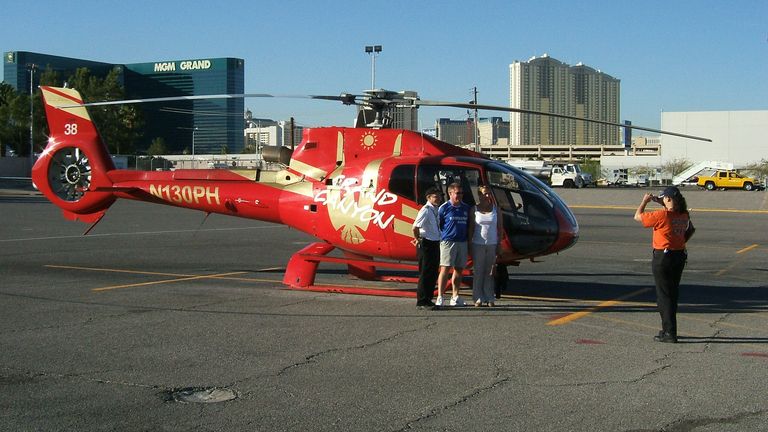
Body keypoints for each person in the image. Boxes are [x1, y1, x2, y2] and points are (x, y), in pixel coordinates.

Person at [634, 186, 695, 343]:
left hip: (663, 257)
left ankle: (669, 333)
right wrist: (680, 241)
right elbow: (691, 229)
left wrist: (645, 201)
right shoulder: (683, 215)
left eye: (663, 199)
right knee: (672, 294)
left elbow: (638, 216)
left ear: (668, 199)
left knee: (663, 296)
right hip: (679, 255)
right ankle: (669, 329)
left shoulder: (662, 215)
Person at [436, 182, 474, 306]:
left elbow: (469, 226)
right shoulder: (444, 208)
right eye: (457, 193)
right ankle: (440, 296)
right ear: (450, 193)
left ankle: (455, 296)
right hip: (448, 242)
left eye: (461, 193)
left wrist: (468, 242)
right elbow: (439, 224)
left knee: (459, 270)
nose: (460, 195)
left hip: (462, 242)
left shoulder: (466, 208)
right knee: (445, 268)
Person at [471, 185, 503, 307]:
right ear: (479, 195)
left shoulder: (496, 209)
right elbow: (471, 229)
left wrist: (499, 243)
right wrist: (470, 244)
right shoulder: (474, 209)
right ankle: (478, 297)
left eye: (489, 193)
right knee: (478, 271)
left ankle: (490, 297)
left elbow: (500, 228)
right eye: (484, 193)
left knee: (490, 271)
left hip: (492, 243)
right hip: (478, 243)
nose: (487, 196)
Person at [412, 187, 442, 309]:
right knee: (425, 272)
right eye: (435, 196)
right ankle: (422, 301)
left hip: (435, 242)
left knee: (433, 272)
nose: (438, 198)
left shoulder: (436, 209)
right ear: (428, 198)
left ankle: (428, 299)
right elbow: (415, 227)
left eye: (439, 196)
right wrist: (418, 239)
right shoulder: (425, 210)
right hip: (427, 243)